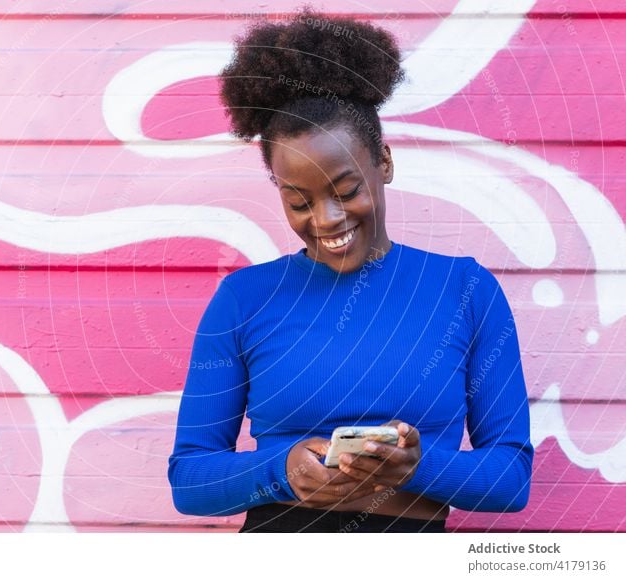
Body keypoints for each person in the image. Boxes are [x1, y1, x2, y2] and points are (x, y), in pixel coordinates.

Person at [167, 9, 533, 533]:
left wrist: (415, 466)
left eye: (346, 191)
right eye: (299, 201)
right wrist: (280, 471)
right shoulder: (243, 300)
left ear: (383, 161)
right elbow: (190, 480)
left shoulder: (466, 291)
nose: (326, 220)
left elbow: (512, 480)